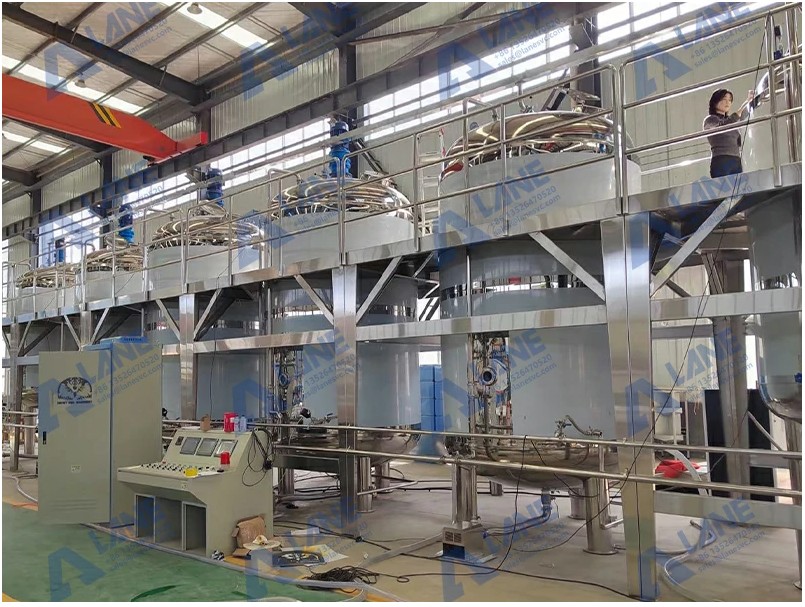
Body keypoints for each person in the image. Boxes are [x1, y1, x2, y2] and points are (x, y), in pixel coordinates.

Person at [703, 88, 754, 178]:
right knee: (723, 186)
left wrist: (749, 101)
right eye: (724, 99)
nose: (727, 102)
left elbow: (739, 140)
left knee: (738, 185)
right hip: (721, 159)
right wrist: (746, 102)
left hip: (736, 160)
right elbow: (723, 125)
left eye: (730, 100)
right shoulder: (710, 119)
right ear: (715, 101)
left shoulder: (730, 121)